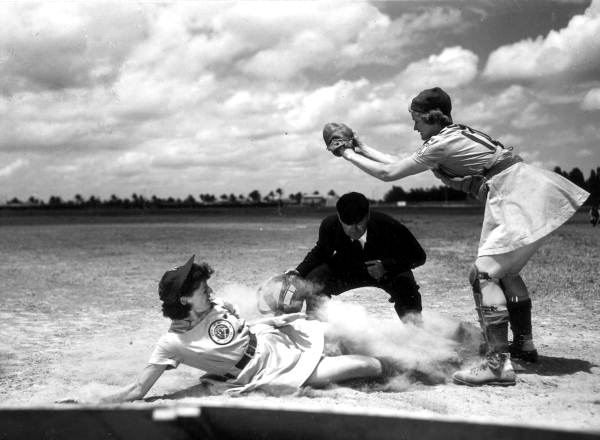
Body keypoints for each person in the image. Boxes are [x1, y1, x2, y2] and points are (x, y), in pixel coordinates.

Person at [325, 87, 589, 386]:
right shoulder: (453, 135)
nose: (414, 128)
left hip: (515, 194)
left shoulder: (441, 143)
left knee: (484, 274)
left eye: (418, 121)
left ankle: (497, 364)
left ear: (433, 117)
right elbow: (397, 162)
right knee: (507, 273)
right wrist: (362, 146)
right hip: (531, 188)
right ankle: (524, 346)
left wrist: (346, 153)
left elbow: (389, 173)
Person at [90, 255, 391, 402]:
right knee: (371, 366)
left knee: (352, 334)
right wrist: (93, 402)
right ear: (183, 298)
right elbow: (138, 389)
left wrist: (276, 305)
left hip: (276, 339)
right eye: (200, 288)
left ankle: (412, 356)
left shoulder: (214, 302)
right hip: (270, 372)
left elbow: (244, 318)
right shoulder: (171, 343)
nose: (208, 290)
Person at [288, 191, 426, 321]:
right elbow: (321, 252)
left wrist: (386, 266)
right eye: (347, 224)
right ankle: (317, 325)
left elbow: (419, 256)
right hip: (349, 268)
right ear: (339, 217)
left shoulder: (388, 225)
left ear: (367, 215)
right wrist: (299, 271)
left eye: (359, 223)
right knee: (315, 279)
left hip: (385, 270)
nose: (354, 230)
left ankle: (414, 330)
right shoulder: (330, 225)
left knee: (406, 285)